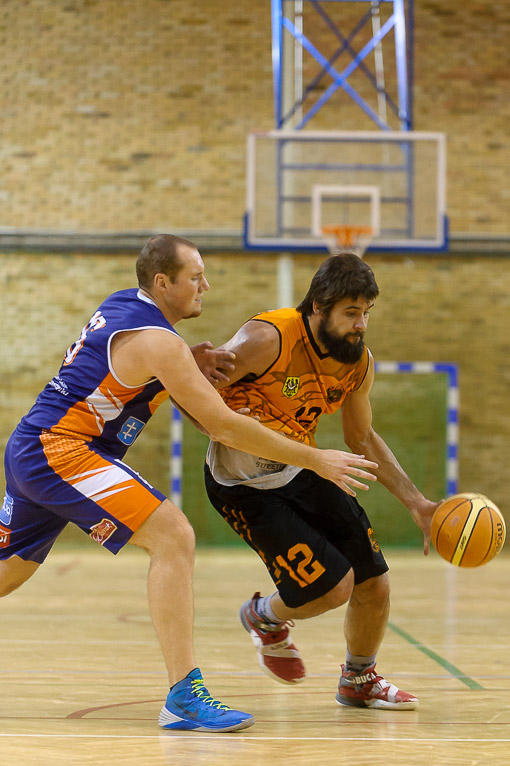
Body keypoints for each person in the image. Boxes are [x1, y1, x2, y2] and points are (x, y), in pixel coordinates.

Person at [0, 236, 379, 733]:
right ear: (163, 282)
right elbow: (223, 425)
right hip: (63, 450)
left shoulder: (126, 306)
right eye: (195, 277)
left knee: (7, 573)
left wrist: (184, 365)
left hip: (34, 446)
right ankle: (184, 695)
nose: (206, 286)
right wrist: (316, 458)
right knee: (173, 536)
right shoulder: (161, 343)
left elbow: (128, 369)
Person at [204, 253, 440, 711]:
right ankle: (263, 616)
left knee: (374, 582)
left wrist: (417, 503)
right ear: (318, 306)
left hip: (303, 466)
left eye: (366, 312)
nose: (361, 325)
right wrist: (224, 425)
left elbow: (361, 438)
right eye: (351, 313)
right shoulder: (267, 338)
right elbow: (193, 395)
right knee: (333, 587)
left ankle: (359, 678)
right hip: (242, 485)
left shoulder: (358, 363)